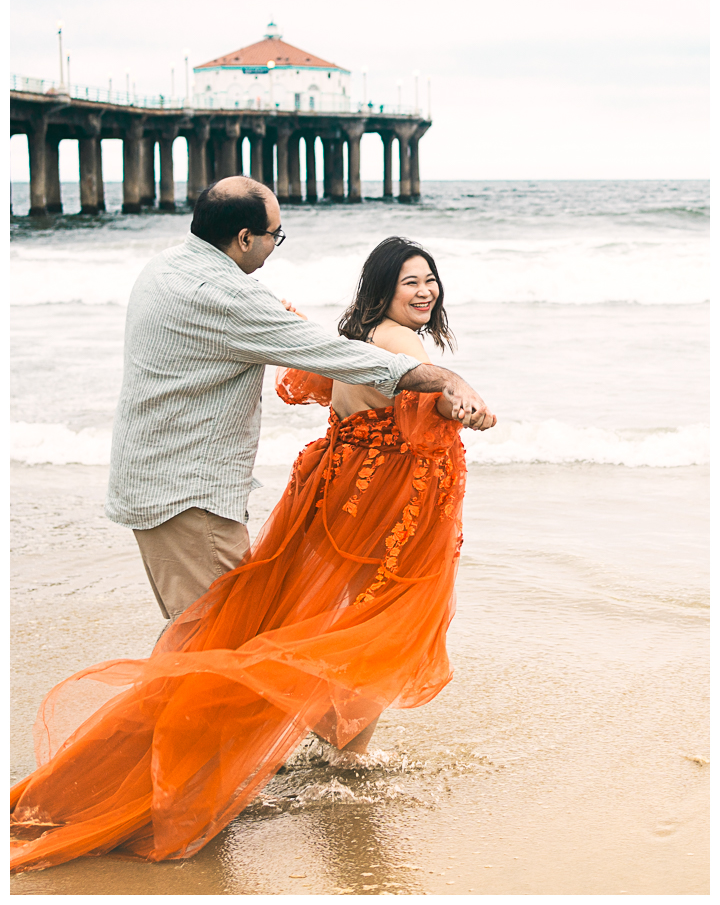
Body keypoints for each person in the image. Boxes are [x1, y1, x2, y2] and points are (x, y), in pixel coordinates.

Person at [10, 231, 496, 874]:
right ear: (383, 290)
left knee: (320, 624)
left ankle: (328, 744)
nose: (425, 291)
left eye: (430, 279)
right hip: (385, 516)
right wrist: (463, 400)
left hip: (332, 501)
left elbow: (332, 386)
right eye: (410, 281)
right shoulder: (399, 343)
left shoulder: (353, 341)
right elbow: (431, 391)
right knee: (376, 635)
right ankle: (329, 753)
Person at [105, 177, 493, 622]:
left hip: (150, 481)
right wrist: (450, 381)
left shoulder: (166, 267)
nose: (276, 246)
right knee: (219, 637)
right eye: (275, 235)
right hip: (189, 496)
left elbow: (321, 361)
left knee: (196, 629)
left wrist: (288, 327)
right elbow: (343, 358)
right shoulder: (232, 297)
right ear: (245, 237)